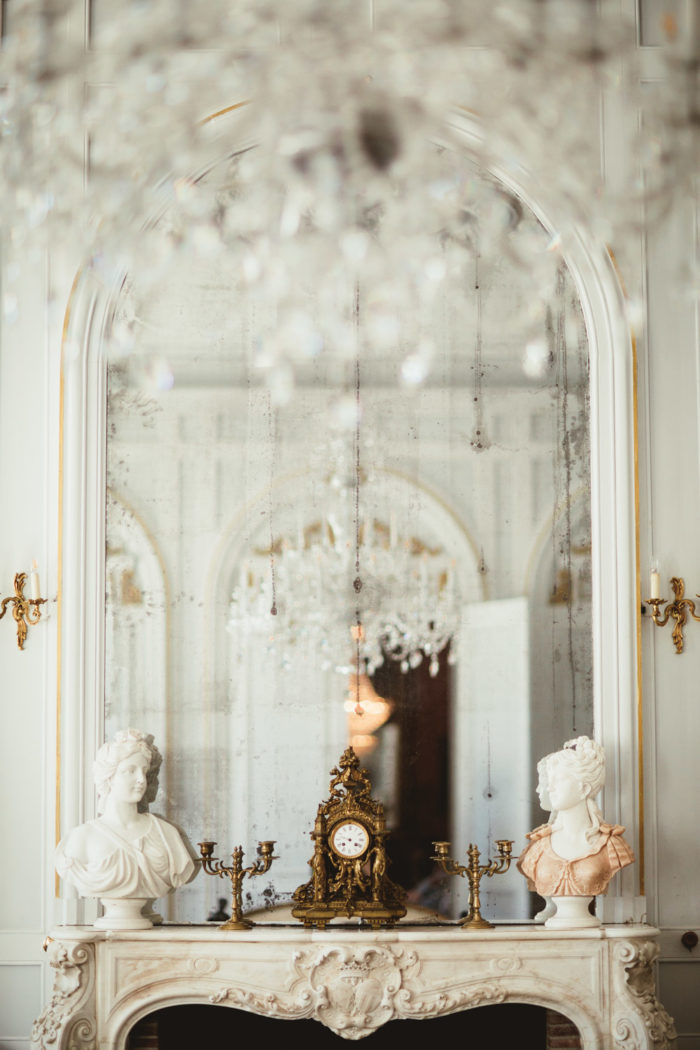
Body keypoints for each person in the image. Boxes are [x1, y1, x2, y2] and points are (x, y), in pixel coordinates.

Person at [56, 729, 197, 905]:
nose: (141, 779)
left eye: (144, 771)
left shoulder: (166, 833)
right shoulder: (81, 837)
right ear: (109, 777)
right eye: (130, 771)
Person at [518, 735, 634, 899]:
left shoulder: (612, 845)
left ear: (584, 789)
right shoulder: (537, 847)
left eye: (558, 780)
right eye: (550, 781)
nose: (550, 788)